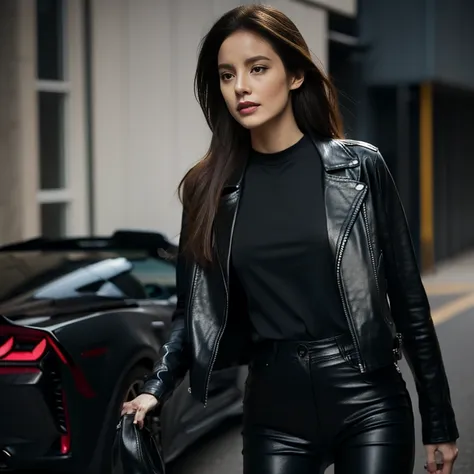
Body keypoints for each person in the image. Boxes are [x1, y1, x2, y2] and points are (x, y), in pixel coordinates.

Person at [122, 4, 459, 473]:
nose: (240, 86)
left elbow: (408, 299)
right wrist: (155, 388)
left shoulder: (358, 169)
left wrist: (438, 418)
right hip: (273, 410)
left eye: (257, 69)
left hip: (367, 399)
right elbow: (191, 310)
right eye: (226, 75)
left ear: (295, 75)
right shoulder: (209, 191)